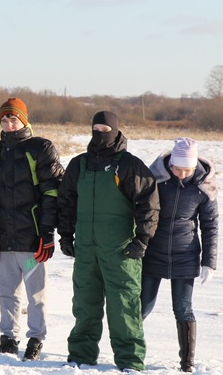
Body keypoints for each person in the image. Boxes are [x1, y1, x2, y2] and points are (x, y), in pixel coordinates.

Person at [57, 111, 160, 371]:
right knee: (84, 304)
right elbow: (66, 203)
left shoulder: (128, 165)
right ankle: (81, 355)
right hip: (86, 249)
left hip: (121, 250)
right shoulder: (78, 164)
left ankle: (130, 361)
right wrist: (66, 236)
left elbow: (149, 204)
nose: (100, 133)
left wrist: (142, 239)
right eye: (96, 128)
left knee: (123, 307)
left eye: (105, 129)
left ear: (115, 131)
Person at [0, 98, 64, 360]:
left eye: (13, 119)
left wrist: (47, 233)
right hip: (5, 241)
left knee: (35, 293)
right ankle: (8, 336)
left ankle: (36, 337)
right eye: (4, 120)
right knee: (6, 291)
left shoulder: (40, 148)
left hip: (32, 243)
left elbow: (52, 193)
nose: (9, 124)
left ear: (24, 120)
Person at [141, 137, 218, 372]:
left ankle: (187, 362)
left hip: (185, 256)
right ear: (171, 164)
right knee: (142, 306)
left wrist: (209, 262)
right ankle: (130, 353)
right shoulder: (155, 181)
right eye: (178, 169)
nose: (182, 174)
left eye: (188, 170)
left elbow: (210, 225)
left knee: (183, 308)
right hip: (154, 252)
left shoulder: (204, 187)